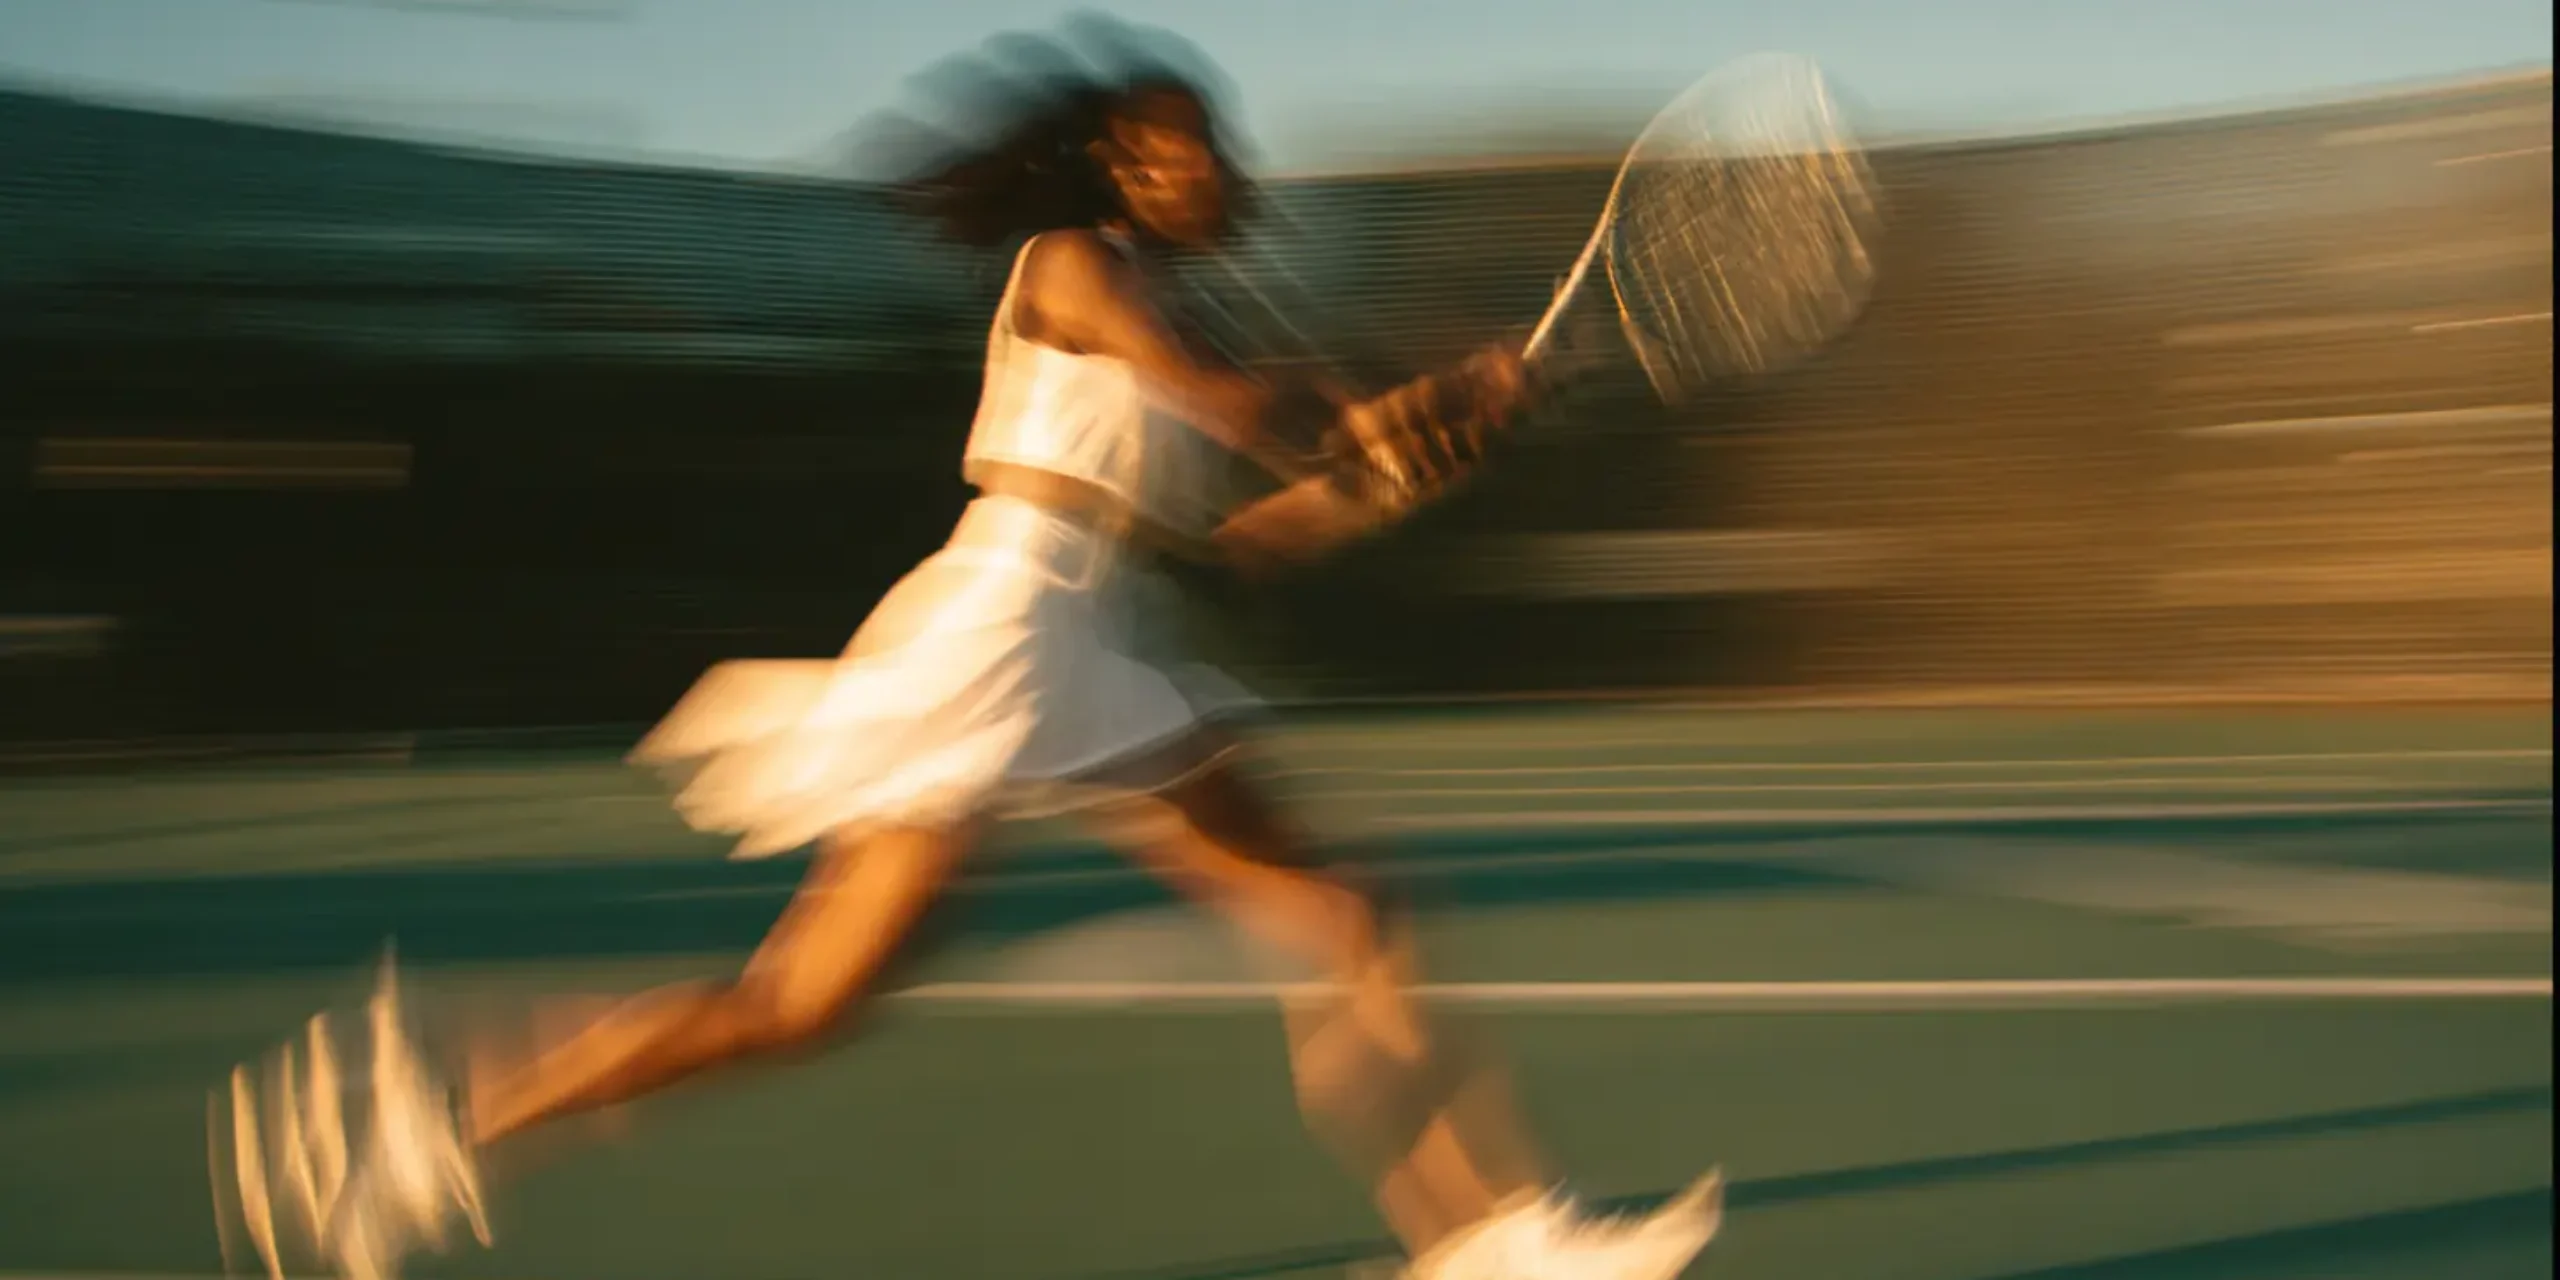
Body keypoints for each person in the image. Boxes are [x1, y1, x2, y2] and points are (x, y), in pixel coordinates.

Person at [222, 21, 1722, 1280]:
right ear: (1125, 164)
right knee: (810, 1008)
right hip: (1005, 631)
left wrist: (1444, 439)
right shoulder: (1073, 264)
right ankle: (436, 1119)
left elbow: (1264, 532)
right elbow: (1251, 410)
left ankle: (1490, 1237)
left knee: (1335, 918)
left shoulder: (1179, 314)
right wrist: (1414, 405)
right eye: (1193, 140)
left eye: (1220, 138)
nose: (1225, 161)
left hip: (1087, 637)